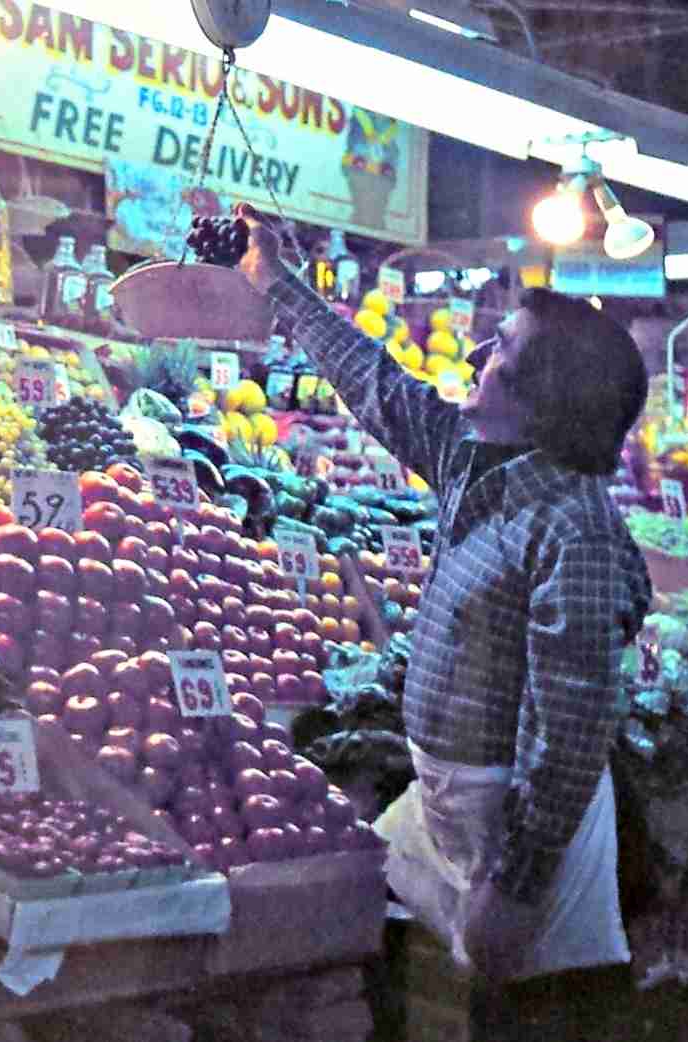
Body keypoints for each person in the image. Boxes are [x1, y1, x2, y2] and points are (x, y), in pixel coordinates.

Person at [235, 203, 652, 987]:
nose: (475, 350)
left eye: (502, 349)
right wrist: (273, 280)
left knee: (532, 1010)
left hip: (525, 835)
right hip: (449, 806)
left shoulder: (576, 529)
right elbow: (375, 382)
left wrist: (518, 886)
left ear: (543, 398)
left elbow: (569, 730)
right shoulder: (474, 462)